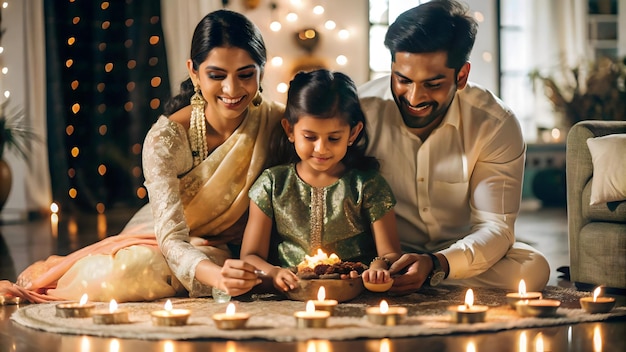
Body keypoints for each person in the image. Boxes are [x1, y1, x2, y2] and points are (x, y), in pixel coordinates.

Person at [0, 10, 284, 303]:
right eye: (216, 75)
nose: (232, 89)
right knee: (122, 274)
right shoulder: (166, 139)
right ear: (194, 72)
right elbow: (172, 239)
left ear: (262, 70)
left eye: (246, 74)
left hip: (243, 247)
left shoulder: (278, 123)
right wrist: (217, 277)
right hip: (165, 238)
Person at [357, 0, 550, 294]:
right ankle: (403, 279)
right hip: (378, 255)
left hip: (453, 254)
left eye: (432, 84)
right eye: (403, 79)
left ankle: (423, 279)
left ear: (461, 76)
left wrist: (437, 264)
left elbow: (495, 227)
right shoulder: (361, 110)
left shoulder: (495, 123)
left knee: (533, 268)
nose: (414, 97)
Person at [240, 69, 402, 292]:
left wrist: (379, 267)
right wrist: (275, 273)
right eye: (310, 137)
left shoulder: (367, 185)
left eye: (334, 138)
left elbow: (390, 254)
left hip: (353, 294)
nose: (321, 148)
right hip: (291, 295)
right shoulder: (272, 184)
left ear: (353, 134)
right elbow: (249, 257)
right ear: (289, 129)